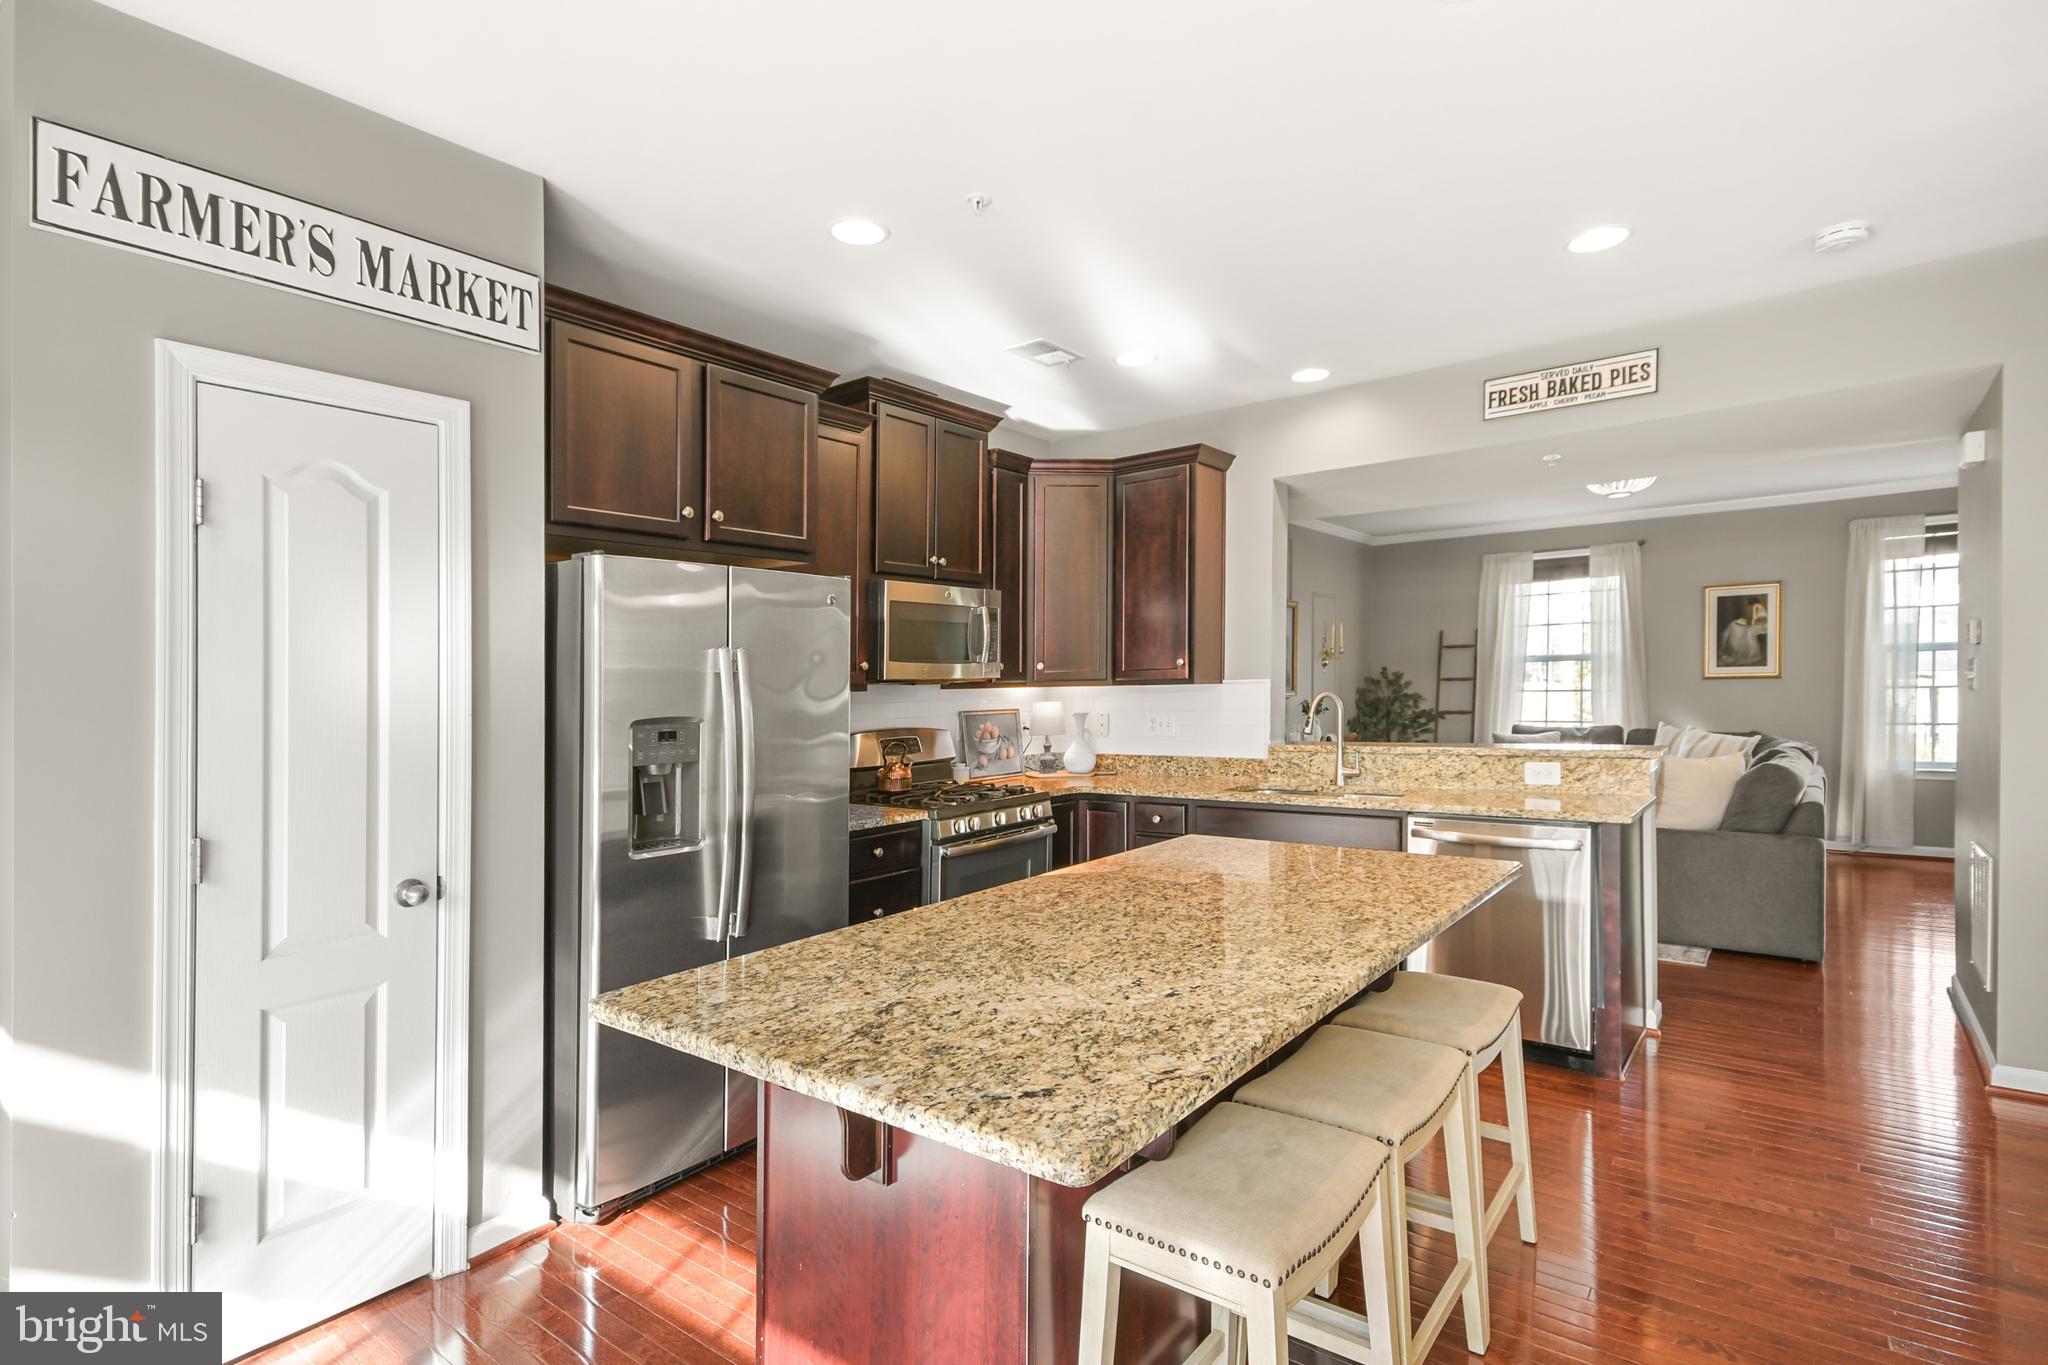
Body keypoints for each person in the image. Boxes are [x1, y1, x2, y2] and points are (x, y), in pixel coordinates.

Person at [1720, 600, 1766, 667]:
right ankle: (1733, 650)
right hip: (1748, 623)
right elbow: (1749, 619)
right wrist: (1747, 621)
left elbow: (1760, 621)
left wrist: (1752, 622)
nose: (1749, 608)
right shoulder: (1752, 608)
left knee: (1742, 630)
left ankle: (1740, 652)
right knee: (1733, 625)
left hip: (1753, 626)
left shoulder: (1759, 608)